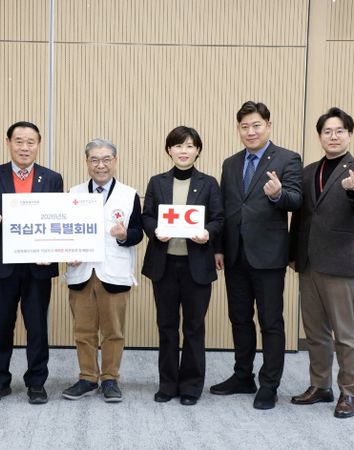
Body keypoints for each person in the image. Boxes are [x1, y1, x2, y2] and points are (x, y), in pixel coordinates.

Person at [211, 101, 303, 410]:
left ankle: (269, 384)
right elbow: (224, 208)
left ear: (268, 126)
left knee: (270, 321)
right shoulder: (230, 163)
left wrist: (277, 195)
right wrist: (219, 247)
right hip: (235, 254)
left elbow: (296, 200)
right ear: (238, 129)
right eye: (244, 127)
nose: (250, 131)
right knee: (239, 318)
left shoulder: (288, 158)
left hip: (268, 256)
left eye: (256, 125)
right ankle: (242, 376)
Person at [289, 107, 354, 419]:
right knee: (315, 332)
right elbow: (300, 217)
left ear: (349, 135)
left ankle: (349, 392)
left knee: (345, 334)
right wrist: (293, 254)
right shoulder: (308, 172)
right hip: (309, 263)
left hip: (341, 263)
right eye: (327, 131)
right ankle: (320, 386)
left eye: (340, 131)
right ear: (319, 136)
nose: (333, 136)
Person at [0, 121, 63, 405]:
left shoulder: (52, 178)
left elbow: (57, 217)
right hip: (2, 264)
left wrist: (55, 249)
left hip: (38, 265)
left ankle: (36, 382)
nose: (25, 147)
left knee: (37, 327)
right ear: (8, 143)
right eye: (19, 141)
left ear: (38, 145)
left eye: (30, 142)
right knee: (1, 324)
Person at [141, 126, 223, 406]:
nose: (183, 151)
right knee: (166, 326)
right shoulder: (157, 182)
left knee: (194, 327)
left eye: (189, 146)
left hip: (196, 266)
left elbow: (218, 218)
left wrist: (208, 233)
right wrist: (155, 231)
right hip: (164, 265)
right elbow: (147, 216)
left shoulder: (209, 183)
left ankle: (191, 386)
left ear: (198, 150)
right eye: (178, 146)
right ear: (169, 150)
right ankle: (167, 384)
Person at [61, 138, 144, 403]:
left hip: (114, 272)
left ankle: (110, 379)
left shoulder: (129, 195)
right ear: (87, 162)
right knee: (83, 331)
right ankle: (87, 377)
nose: (101, 165)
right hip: (82, 272)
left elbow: (138, 233)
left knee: (113, 332)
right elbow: (63, 232)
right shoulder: (73, 193)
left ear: (115, 161)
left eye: (106, 159)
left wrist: (123, 235)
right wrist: (67, 252)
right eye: (94, 159)